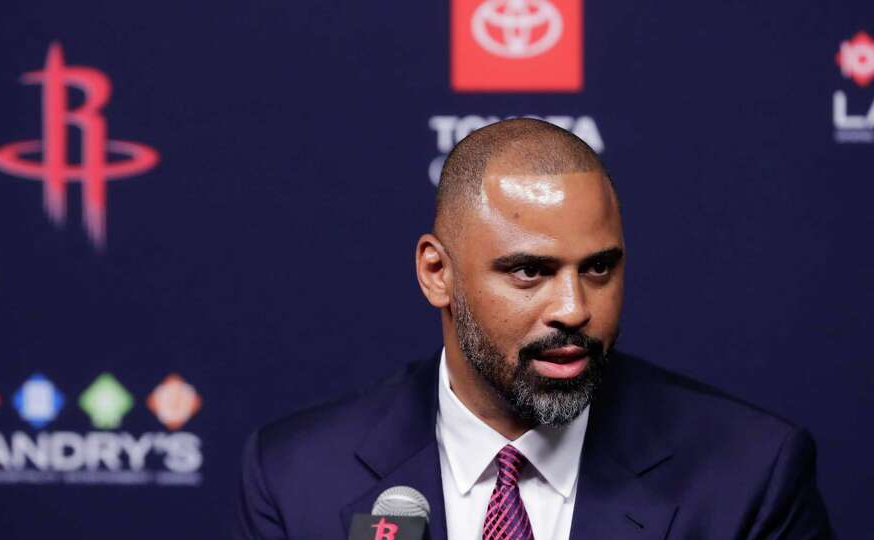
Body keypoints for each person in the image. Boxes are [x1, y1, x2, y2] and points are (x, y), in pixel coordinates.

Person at [233, 118, 832, 539]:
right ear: (437, 273)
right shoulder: (295, 476)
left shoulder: (750, 472)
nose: (573, 308)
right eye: (529, 271)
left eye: (599, 268)